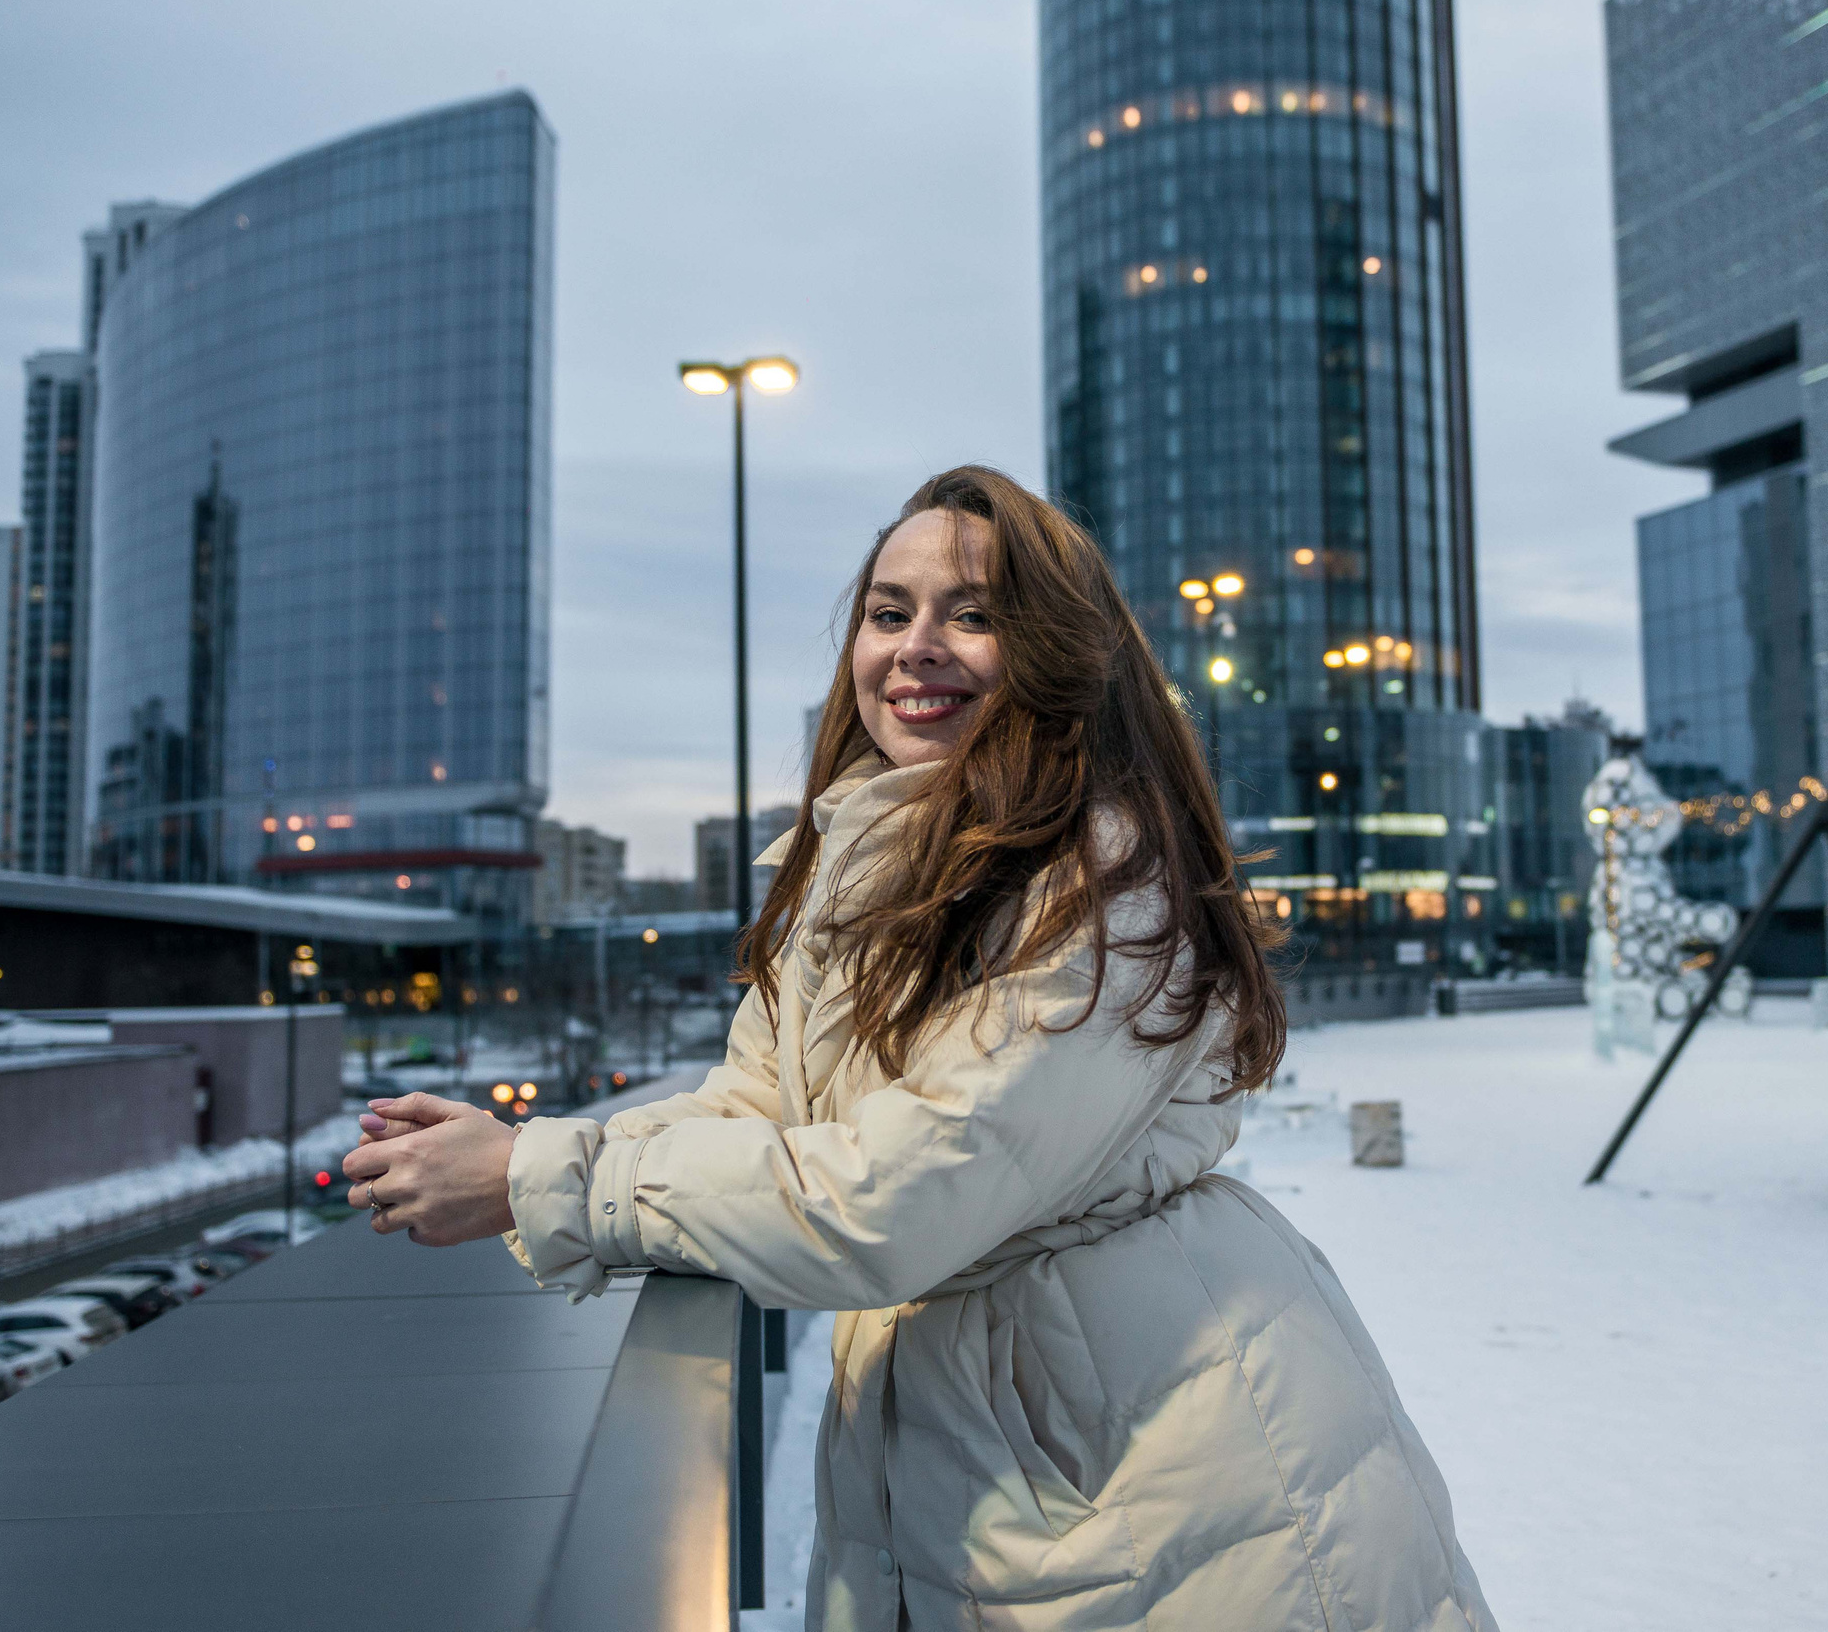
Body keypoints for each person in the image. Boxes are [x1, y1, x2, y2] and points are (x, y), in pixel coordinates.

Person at [342, 466, 1498, 1631]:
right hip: (1008, 1455)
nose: (916, 646)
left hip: (1165, 1484)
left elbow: (888, 1198)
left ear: (1057, 651)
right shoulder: (857, 865)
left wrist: (539, 1180)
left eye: (975, 614)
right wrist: (527, 1156)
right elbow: (756, 1114)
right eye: (888, 612)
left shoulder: (1101, 880)